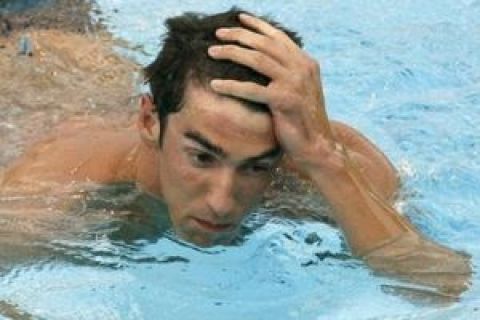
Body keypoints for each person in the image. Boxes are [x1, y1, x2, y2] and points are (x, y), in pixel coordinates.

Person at [0, 8, 471, 295]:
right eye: (202, 156)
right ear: (149, 122)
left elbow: (442, 285)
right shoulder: (58, 190)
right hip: (36, 75)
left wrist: (323, 157)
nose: (224, 202)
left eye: (256, 167)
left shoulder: (322, 160)